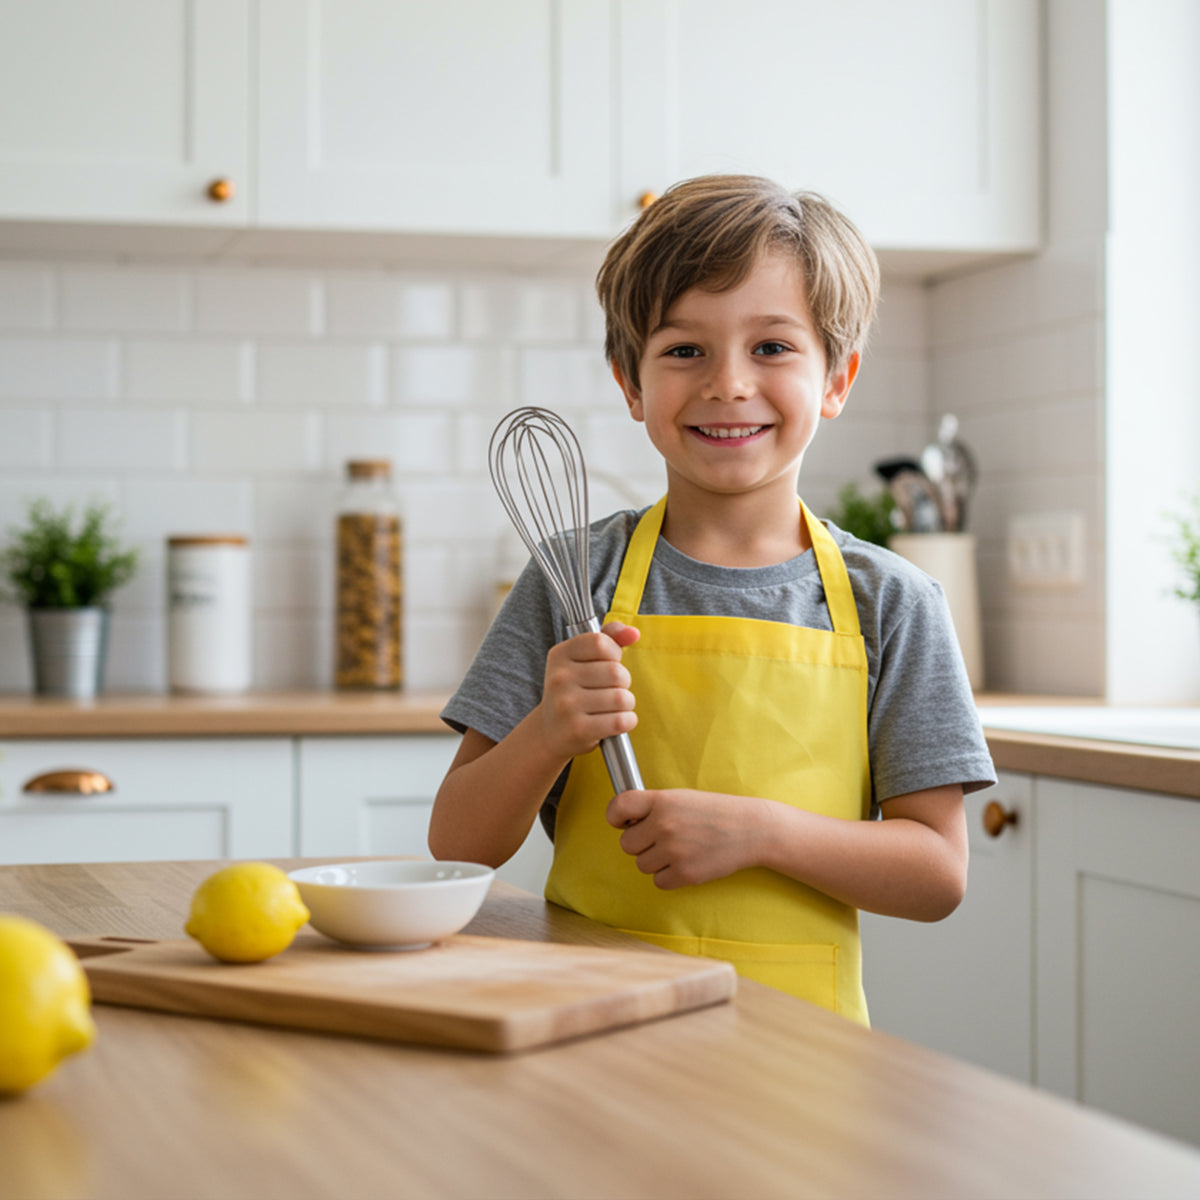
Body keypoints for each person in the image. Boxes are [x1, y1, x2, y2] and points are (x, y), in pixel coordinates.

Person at [430, 175, 996, 1025]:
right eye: (684, 350)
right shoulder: (571, 578)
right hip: (592, 1029)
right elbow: (457, 844)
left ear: (837, 379)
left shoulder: (895, 602)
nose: (729, 384)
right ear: (630, 383)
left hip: (800, 1059)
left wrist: (765, 833)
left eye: (772, 347)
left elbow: (936, 875)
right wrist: (548, 731)